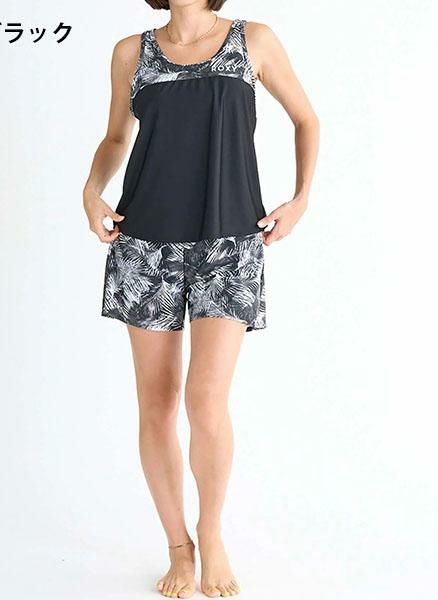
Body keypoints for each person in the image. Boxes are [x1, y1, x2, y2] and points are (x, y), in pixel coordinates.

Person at [82, 1, 319, 597]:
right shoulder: (132, 52)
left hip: (229, 241)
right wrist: (91, 190)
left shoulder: (253, 41)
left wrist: (300, 199)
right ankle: (177, 547)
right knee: (157, 403)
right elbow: (116, 137)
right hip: (144, 244)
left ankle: (210, 534)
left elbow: (306, 118)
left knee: (206, 399)